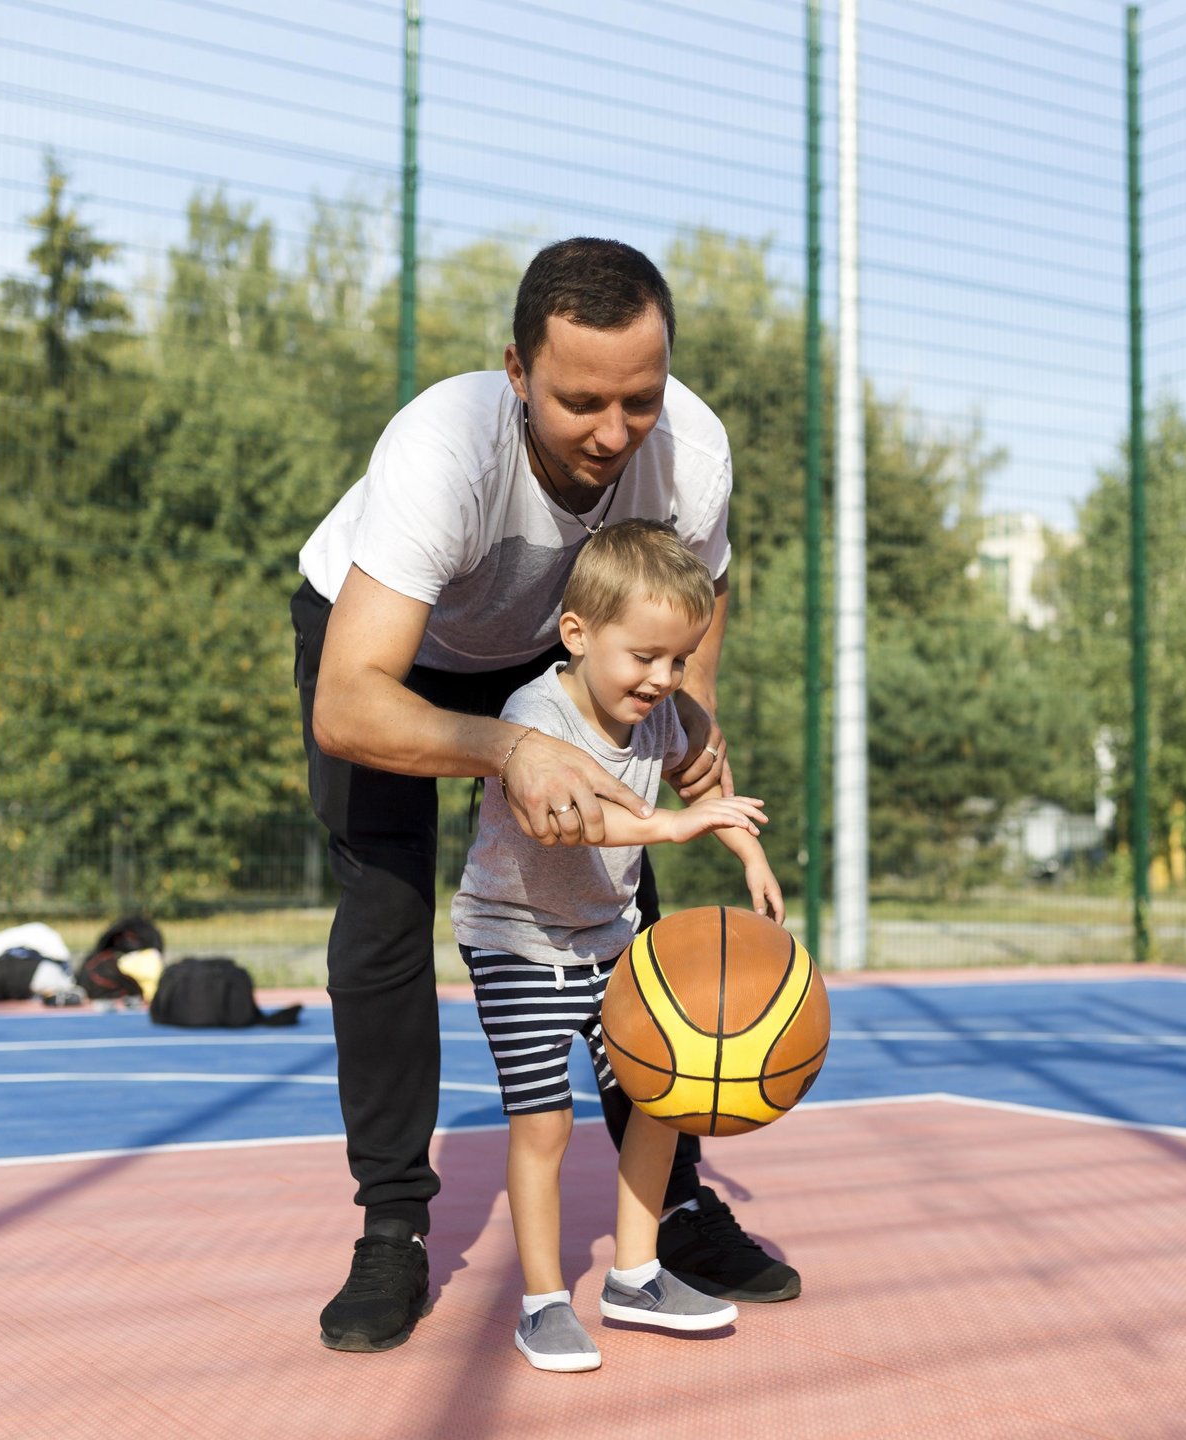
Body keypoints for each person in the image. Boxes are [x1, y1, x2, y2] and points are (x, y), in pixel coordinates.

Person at [292, 237, 800, 1356]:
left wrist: (687, 732)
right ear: (517, 372)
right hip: (389, 654)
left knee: (628, 894)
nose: (615, 434)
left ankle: (668, 1210)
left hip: (546, 645)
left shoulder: (693, 453)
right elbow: (349, 704)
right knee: (384, 909)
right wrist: (511, 753)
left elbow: (691, 611)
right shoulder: (446, 448)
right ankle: (391, 1228)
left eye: (640, 400)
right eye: (580, 403)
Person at [454, 520, 785, 1372]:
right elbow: (570, 820)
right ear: (578, 633)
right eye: (644, 657)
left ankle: (635, 1276)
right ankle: (541, 1303)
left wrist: (745, 849)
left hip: (611, 944)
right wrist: (674, 826)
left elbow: (701, 785)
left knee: (659, 1099)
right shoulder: (536, 713)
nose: (663, 679)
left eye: (678, 660)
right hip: (518, 943)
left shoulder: (661, 715)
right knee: (545, 1125)